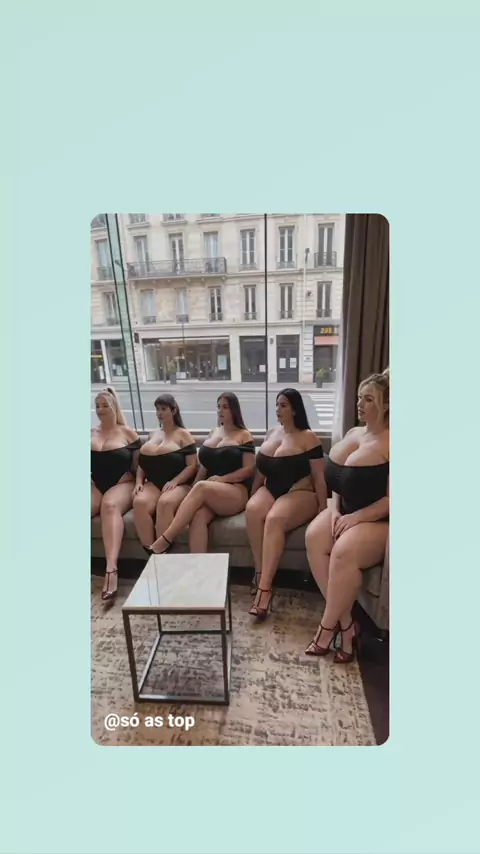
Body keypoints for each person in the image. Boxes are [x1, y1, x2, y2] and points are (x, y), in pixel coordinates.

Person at [305, 369, 389, 662]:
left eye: (369, 399)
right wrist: (335, 509)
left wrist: (355, 518)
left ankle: (326, 629)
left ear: (386, 405)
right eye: (360, 398)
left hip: (377, 519)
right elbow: (339, 477)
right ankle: (347, 625)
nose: (360, 404)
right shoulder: (354, 433)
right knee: (314, 537)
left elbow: (392, 499)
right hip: (344, 510)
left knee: (342, 552)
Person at [246, 388, 327, 620]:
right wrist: (252, 493)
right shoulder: (272, 433)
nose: (278, 410)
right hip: (271, 489)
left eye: (283, 405)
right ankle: (260, 572)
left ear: (295, 409)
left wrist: (323, 511)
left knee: (274, 519)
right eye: (277, 405)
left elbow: (320, 478)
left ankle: (264, 591)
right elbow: (262, 470)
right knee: (252, 510)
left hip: (300, 491)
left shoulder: (309, 437)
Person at [146, 392, 255, 555]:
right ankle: (198, 566)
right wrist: (192, 488)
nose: (220, 410)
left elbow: (249, 469)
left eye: (225, 407)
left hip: (235, 491)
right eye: (218, 407)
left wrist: (222, 479)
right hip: (211, 492)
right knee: (197, 516)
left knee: (202, 486)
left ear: (234, 410)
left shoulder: (244, 434)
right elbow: (204, 464)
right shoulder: (213, 432)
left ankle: (165, 540)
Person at [91, 387, 141, 602]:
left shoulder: (128, 433)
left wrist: (138, 482)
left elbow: (140, 467)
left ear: (114, 407)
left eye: (105, 405)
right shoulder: (90, 433)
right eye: (97, 406)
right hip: (95, 484)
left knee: (109, 506)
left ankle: (111, 570)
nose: (100, 410)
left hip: (123, 484)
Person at [132, 394, 197, 550]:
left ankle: (161, 551)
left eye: (163, 409)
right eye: (157, 409)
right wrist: (139, 482)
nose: (159, 413)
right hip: (153, 483)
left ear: (173, 411)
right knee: (139, 502)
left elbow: (192, 465)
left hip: (179, 483)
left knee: (165, 503)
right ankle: (149, 551)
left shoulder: (183, 434)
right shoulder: (152, 434)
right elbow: (143, 463)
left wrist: (175, 481)